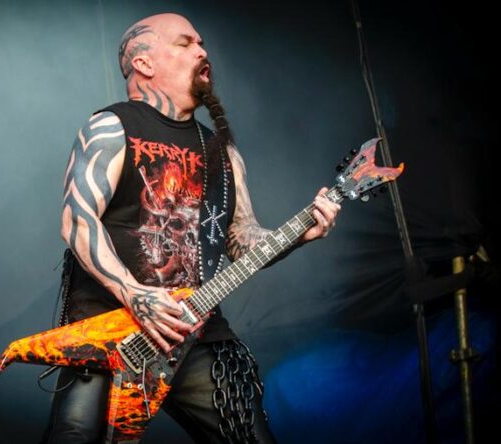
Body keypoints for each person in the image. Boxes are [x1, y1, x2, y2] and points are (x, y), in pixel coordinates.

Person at [41, 12, 341, 443]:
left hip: (197, 334)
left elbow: (242, 241)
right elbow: (77, 219)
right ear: (143, 62)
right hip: (110, 335)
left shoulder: (222, 152)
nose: (202, 50)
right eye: (185, 43)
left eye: (201, 43)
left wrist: (299, 233)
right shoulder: (111, 127)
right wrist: (135, 294)